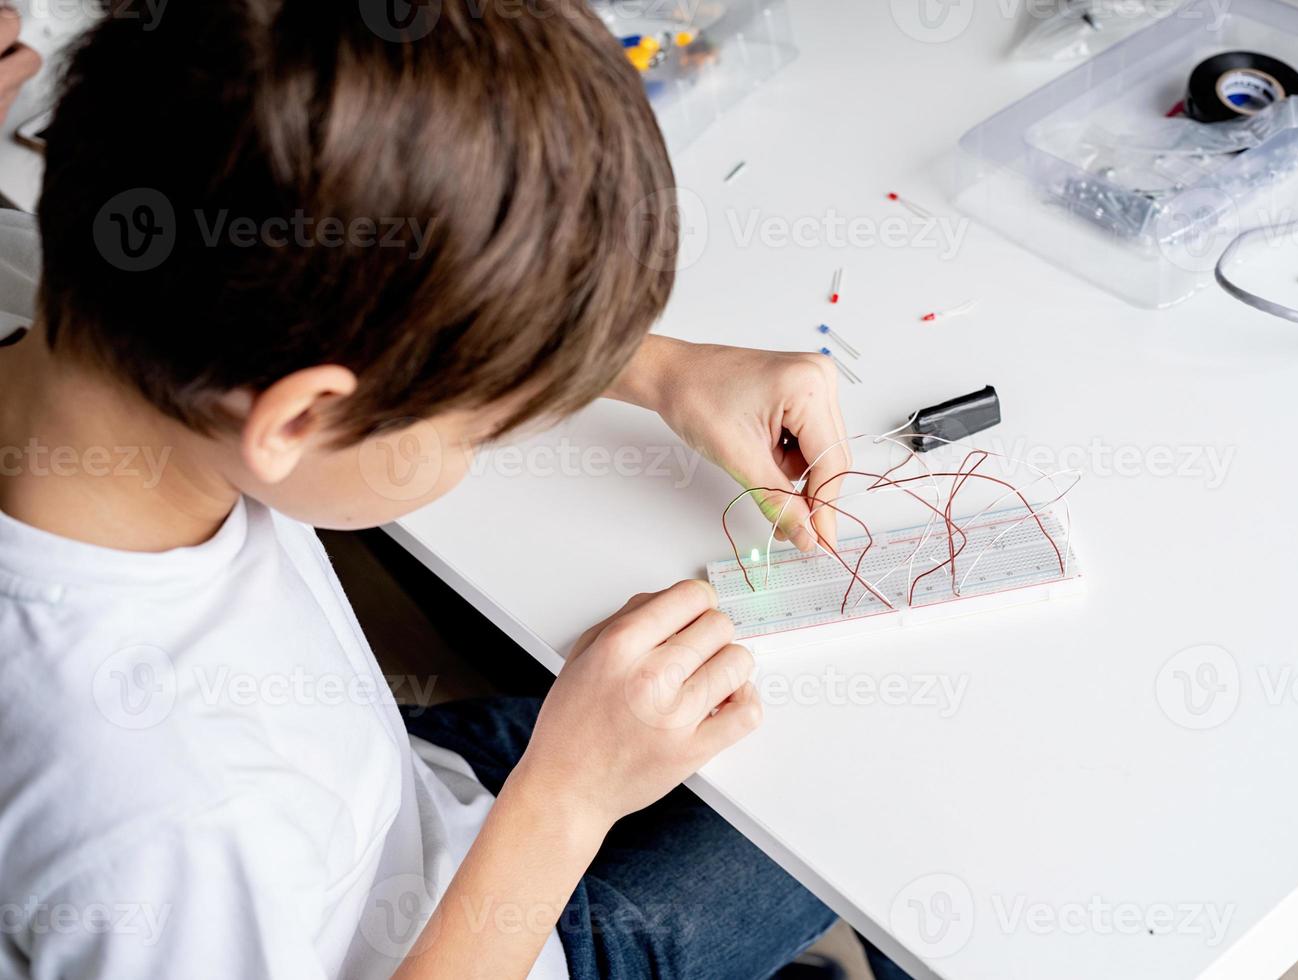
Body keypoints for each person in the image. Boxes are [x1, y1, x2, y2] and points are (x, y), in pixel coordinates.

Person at [0, 1, 911, 978]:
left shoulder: (97, 329)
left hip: (392, 796)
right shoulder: (170, 819)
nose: (487, 435)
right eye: (478, 424)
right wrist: (565, 796)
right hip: (480, 926)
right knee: (879, 802)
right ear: (298, 419)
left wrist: (657, 368)